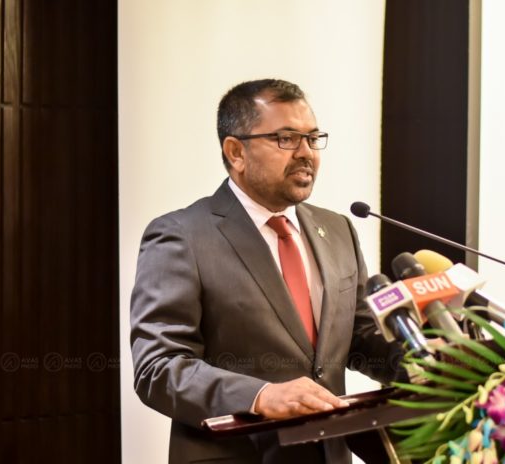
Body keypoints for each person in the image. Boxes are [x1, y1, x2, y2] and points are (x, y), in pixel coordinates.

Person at [130, 79, 405, 463]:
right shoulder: (182, 236)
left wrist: (437, 362)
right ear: (236, 152)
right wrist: (259, 396)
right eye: (286, 139)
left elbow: (359, 338)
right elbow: (158, 368)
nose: (306, 153)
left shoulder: (337, 229)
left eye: (313, 138)